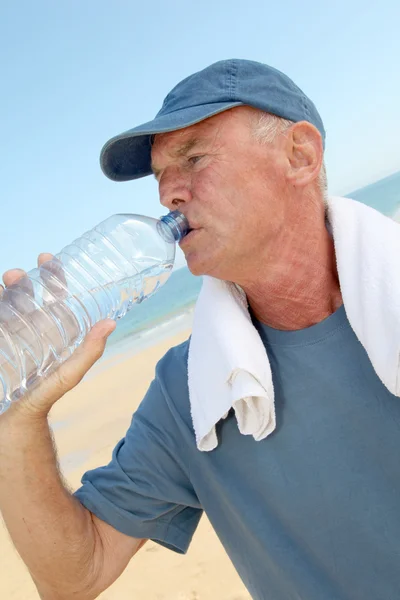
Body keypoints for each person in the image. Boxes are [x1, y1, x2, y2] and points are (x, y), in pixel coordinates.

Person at [1, 59, 400, 600]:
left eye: (193, 158)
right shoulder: (193, 391)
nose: (169, 194)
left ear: (299, 156)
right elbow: (75, 576)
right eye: (161, 177)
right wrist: (18, 421)